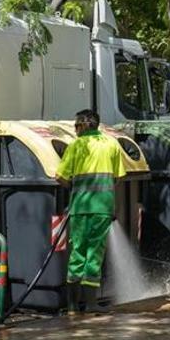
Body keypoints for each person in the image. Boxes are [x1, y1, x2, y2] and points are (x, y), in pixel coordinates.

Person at [55, 109, 125, 315]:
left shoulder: (76, 146)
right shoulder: (111, 144)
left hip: (79, 208)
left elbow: (59, 176)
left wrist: (75, 187)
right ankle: (92, 304)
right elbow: (118, 177)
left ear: (85, 125)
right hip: (102, 209)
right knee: (94, 255)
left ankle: (72, 306)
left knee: (77, 254)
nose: (75, 130)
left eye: (77, 126)